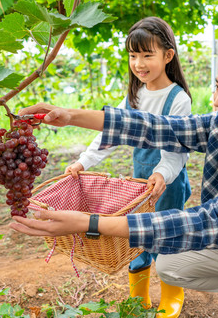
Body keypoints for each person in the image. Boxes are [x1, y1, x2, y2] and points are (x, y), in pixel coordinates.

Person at [12, 36, 218, 318]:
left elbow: (211, 222)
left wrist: (90, 222)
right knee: (173, 263)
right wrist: (69, 115)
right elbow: (154, 127)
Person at [65, 17, 193, 317]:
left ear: (168, 56)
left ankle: (173, 294)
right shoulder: (134, 97)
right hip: (139, 184)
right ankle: (139, 297)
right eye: (133, 56)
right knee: (136, 237)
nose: (139, 63)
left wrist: (162, 173)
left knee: (165, 236)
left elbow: (176, 150)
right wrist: (84, 161)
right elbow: (110, 133)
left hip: (168, 183)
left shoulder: (178, 99)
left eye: (147, 55)